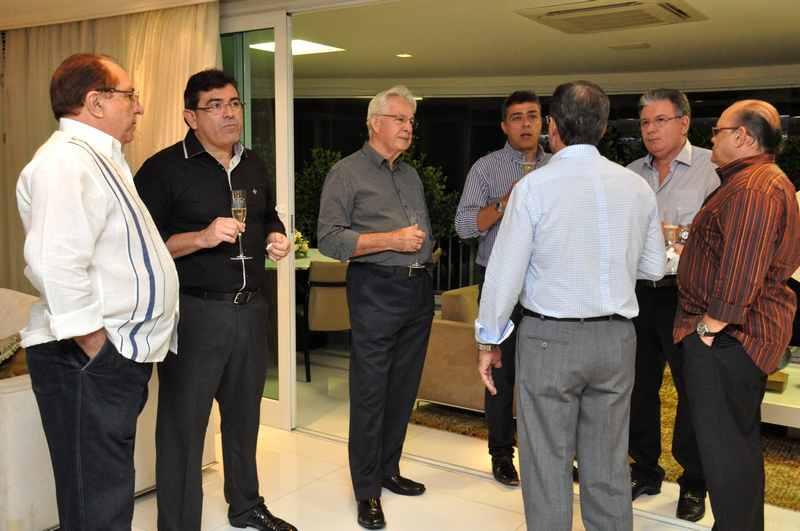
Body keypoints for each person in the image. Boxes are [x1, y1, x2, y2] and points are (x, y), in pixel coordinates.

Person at [476, 80, 665, 531]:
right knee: (609, 461)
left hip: (549, 340)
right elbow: (654, 267)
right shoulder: (636, 187)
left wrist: (489, 339)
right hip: (616, 339)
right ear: (603, 128)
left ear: (552, 126)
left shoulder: (533, 188)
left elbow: (505, 273)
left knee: (547, 462)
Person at [16, 53, 179, 531]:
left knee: (106, 494)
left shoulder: (100, 159)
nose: (139, 107)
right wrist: (98, 351)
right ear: (96, 102)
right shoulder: (65, 162)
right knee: (97, 505)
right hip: (87, 359)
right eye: (130, 95)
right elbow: (56, 263)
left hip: (108, 357)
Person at [134, 69, 295, 531]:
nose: (229, 113)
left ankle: (246, 506)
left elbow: (268, 216)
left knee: (244, 419)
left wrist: (276, 236)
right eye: (215, 105)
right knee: (184, 428)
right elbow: (142, 247)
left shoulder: (253, 163)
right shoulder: (163, 169)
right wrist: (202, 237)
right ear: (191, 116)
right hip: (195, 314)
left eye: (234, 103)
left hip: (251, 310)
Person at [674, 99, 800, 531]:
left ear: (743, 137)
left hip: (729, 338)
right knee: (734, 448)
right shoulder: (756, 181)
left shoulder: (753, 188)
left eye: (718, 131)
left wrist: (710, 327)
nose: (712, 138)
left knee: (726, 452)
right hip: (735, 336)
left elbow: (742, 268)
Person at [317, 85, 434, 530]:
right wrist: (391, 241)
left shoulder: (410, 175)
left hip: (417, 291)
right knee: (370, 393)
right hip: (375, 290)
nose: (408, 127)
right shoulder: (346, 173)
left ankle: (388, 470)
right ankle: (366, 491)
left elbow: (419, 231)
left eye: (411, 121)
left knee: (403, 389)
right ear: (374, 123)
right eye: (399, 119)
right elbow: (329, 239)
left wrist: (422, 251)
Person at [625, 89, 718, 521]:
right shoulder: (630, 174)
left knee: (691, 389)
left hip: (689, 294)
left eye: (660, 120)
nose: (650, 130)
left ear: (684, 123)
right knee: (638, 387)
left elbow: (721, 234)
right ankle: (644, 469)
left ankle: (694, 481)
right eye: (645, 122)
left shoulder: (712, 169)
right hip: (638, 293)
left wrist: (683, 236)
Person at [454, 90, 550, 486]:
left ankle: (550, 455)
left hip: (546, 285)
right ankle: (500, 453)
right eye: (517, 117)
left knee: (547, 375)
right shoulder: (486, 168)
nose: (526, 124)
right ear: (504, 126)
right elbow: (464, 227)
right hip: (498, 282)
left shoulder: (558, 165)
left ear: (543, 122)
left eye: (532, 116)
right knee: (500, 369)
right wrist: (505, 202)